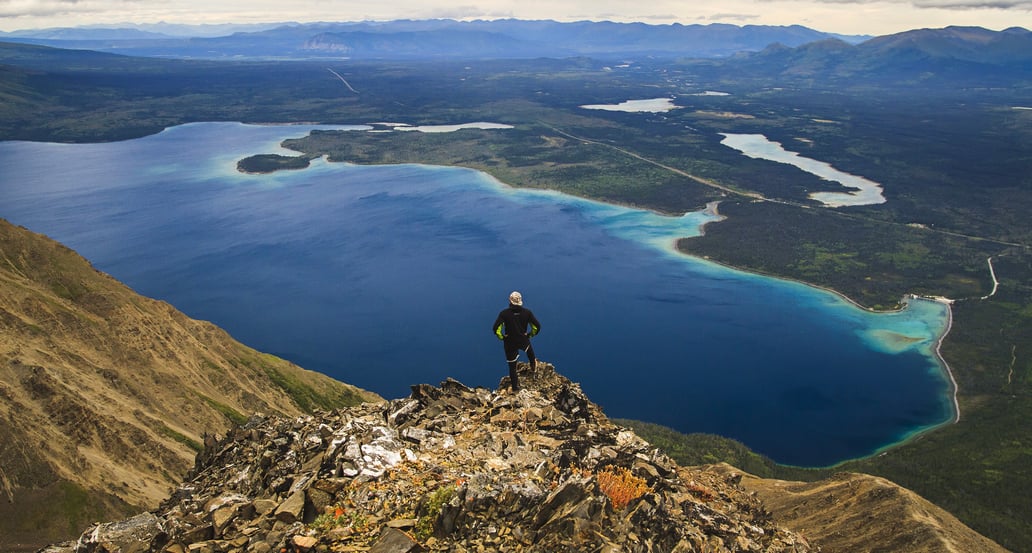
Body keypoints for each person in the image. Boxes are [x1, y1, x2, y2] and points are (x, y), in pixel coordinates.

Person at [492, 291, 541, 392]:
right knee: (531, 356)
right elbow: (537, 326)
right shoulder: (527, 313)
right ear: (521, 300)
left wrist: (502, 337)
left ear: (510, 300)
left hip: (510, 342)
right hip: (523, 339)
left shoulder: (504, 314)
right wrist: (529, 335)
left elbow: (496, 328)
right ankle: (534, 371)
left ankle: (515, 389)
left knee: (512, 367)